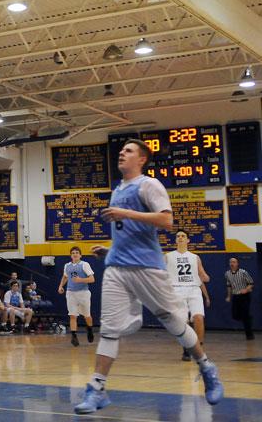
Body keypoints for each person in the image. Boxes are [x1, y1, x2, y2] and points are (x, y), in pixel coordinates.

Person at [74, 139, 222, 414]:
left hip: (147, 267)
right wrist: (109, 250)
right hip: (117, 267)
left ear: (142, 159)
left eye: (128, 151)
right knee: (109, 329)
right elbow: (127, 231)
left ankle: (207, 367)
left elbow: (167, 221)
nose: (121, 153)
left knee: (174, 322)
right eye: (121, 150)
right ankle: (97, 388)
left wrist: (126, 212)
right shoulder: (117, 189)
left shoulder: (149, 185)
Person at [166, 230, 211, 359]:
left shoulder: (194, 257)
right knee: (183, 321)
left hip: (193, 289)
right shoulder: (168, 256)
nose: (180, 238)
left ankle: (199, 348)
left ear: (188, 240)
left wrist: (205, 277)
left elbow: (202, 275)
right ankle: (186, 348)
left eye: (183, 236)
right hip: (177, 289)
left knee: (198, 318)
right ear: (175, 240)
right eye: (178, 236)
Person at [58, 246, 95, 347]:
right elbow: (65, 277)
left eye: (77, 252)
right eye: (73, 253)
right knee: (72, 315)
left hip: (83, 293)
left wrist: (81, 280)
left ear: (80, 255)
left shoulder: (84, 264)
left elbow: (92, 279)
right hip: (71, 293)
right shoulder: (67, 266)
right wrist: (61, 286)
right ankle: (74, 336)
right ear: (71, 255)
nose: (75, 254)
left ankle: (90, 329)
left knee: (87, 316)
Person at [225, 257, 254, 340]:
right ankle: (248, 317)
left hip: (245, 296)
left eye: (234, 262)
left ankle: (249, 335)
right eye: (230, 262)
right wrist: (228, 296)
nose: (232, 263)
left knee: (245, 316)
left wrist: (246, 289)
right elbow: (229, 286)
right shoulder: (227, 274)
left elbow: (251, 283)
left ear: (237, 263)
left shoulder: (243, 272)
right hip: (235, 296)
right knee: (235, 315)